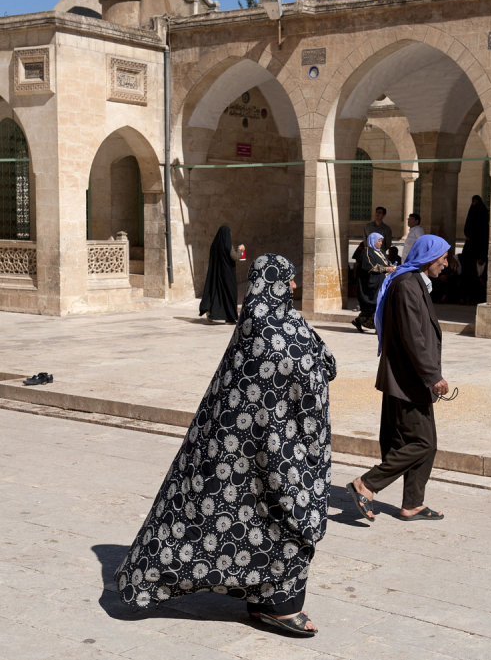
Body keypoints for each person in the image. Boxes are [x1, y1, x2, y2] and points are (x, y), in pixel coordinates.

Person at [116, 253, 337, 637]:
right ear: (278, 283)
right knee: (283, 522)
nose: (296, 286)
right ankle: (279, 607)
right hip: (275, 451)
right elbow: (314, 372)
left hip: (241, 451)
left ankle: (257, 597)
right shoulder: (278, 332)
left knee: (245, 520)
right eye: (290, 279)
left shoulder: (257, 326)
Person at [346, 234, 451, 522]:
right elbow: (412, 337)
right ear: (430, 257)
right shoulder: (406, 285)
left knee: (417, 443)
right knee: (423, 443)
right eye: (442, 256)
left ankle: (413, 504)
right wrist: (433, 376)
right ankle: (365, 484)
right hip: (408, 380)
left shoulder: (412, 281)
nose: (446, 262)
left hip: (409, 378)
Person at [199, 225, 245, 324]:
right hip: (227, 275)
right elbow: (235, 257)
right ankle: (229, 318)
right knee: (229, 294)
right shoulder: (227, 245)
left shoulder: (214, 245)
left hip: (216, 275)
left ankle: (210, 310)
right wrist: (241, 249)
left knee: (217, 294)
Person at [352, 232, 394, 333]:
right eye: (379, 241)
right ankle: (377, 326)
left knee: (380, 305)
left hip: (381, 283)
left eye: (381, 241)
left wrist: (392, 266)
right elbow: (371, 267)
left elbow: (387, 262)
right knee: (375, 306)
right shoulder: (367, 252)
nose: (380, 243)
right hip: (372, 284)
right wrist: (386, 269)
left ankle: (360, 321)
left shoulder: (381, 252)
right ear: (373, 241)